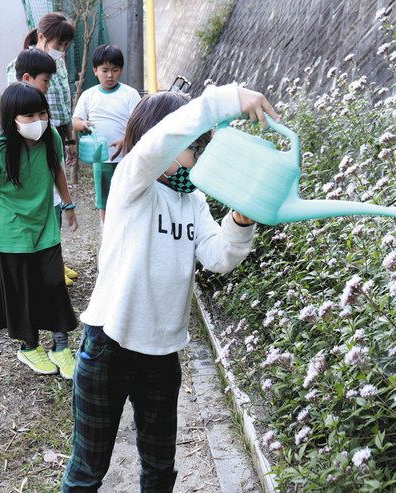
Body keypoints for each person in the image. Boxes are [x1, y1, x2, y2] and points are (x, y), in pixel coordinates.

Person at [61, 83, 278, 491]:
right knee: (88, 469)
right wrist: (223, 100)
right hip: (110, 345)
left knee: (160, 468)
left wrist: (242, 219)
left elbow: (218, 256)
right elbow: (160, 141)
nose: (198, 155)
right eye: (193, 144)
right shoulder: (132, 183)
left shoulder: (191, 200)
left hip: (162, 355)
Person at [0, 82, 79, 379]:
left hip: (44, 227)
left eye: (41, 113)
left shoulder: (51, 137)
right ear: (12, 118)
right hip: (9, 234)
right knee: (21, 291)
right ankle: (29, 346)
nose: (38, 121)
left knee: (54, 283)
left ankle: (61, 347)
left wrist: (68, 206)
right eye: (29, 116)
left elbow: (57, 168)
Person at [6, 12, 79, 285]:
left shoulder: (54, 67)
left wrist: (69, 139)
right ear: (42, 37)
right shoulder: (21, 65)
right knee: (43, 199)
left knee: (56, 201)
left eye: (65, 47)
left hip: (55, 134)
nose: (61, 51)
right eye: (58, 44)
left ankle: (55, 260)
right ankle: (46, 264)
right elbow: (17, 107)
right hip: (33, 136)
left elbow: (63, 105)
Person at [72, 44, 141, 223]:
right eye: (105, 70)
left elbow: (139, 123)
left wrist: (125, 140)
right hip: (101, 159)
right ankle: (106, 234)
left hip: (126, 158)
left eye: (115, 70)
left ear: (121, 70)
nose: (110, 75)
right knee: (104, 202)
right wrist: (83, 124)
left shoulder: (130, 94)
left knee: (128, 199)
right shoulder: (88, 95)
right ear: (95, 71)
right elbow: (76, 121)